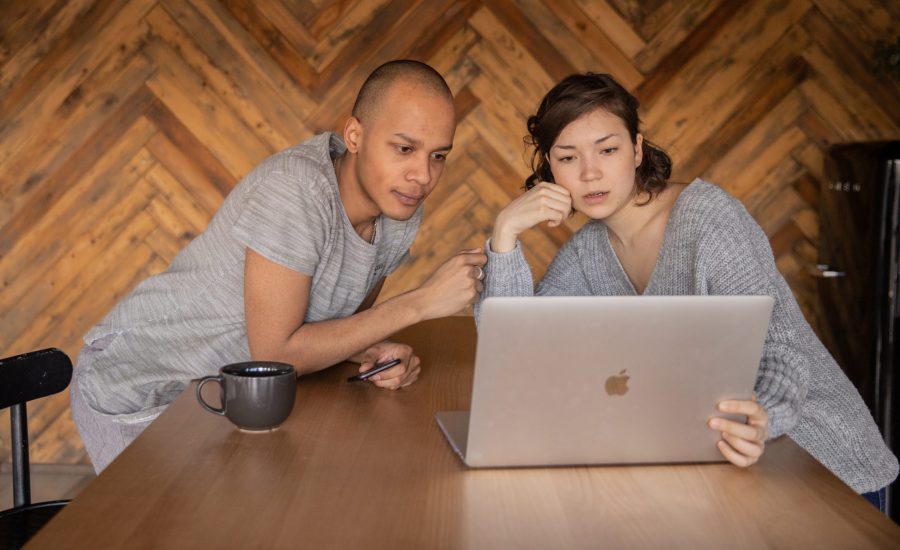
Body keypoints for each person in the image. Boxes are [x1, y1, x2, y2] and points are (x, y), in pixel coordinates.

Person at [478, 72, 898, 510]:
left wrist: (763, 418)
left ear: (637, 150)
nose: (590, 173)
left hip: (825, 466)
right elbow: (511, 356)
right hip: (727, 473)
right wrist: (506, 235)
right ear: (549, 166)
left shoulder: (709, 220)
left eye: (608, 149)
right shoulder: (586, 254)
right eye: (568, 157)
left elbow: (783, 349)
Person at [71, 60, 488, 473]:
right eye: (404, 148)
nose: (422, 175)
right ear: (355, 136)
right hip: (139, 386)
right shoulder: (295, 190)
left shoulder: (398, 207)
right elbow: (275, 353)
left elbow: (334, 325)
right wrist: (420, 304)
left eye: (438, 156)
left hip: (222, 394)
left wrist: (372, 353)